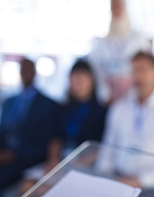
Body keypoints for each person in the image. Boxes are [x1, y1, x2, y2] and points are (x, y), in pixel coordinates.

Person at [96, 52, 154, 196]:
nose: (138, 77)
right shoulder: (119, 108)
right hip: (119, 183)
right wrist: (105, 179)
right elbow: (107, 152)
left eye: (143, 70)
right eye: (134, 71)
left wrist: (140, 181)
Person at [21, 60, 108, 194]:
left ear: (92, 80)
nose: (78, 83)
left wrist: (72, 165)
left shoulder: (101, 111)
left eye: (82, 78)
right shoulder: (63, 108)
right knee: (27, 185)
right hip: (60, 163)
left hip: (85, 165)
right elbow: (56, 137)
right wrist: (54, 160)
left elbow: (100, 148)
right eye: (74, 78)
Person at [0, 58, 59, 192]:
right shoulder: (10, 101)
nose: (26, 73)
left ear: (35, 73)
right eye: (23, 69)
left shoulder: (48, 105)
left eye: (29, 69)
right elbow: (3, 131)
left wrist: (13, 155)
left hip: (25, 159)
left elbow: (46, 141)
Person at [88, 0, 150, 104]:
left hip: (134, 97)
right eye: (114, 6)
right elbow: (98, 70)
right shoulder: (102, 42)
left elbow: (145, 67)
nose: (117, 10)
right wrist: (105, 94)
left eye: (119, 6)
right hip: (110, 99)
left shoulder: (138, 39)